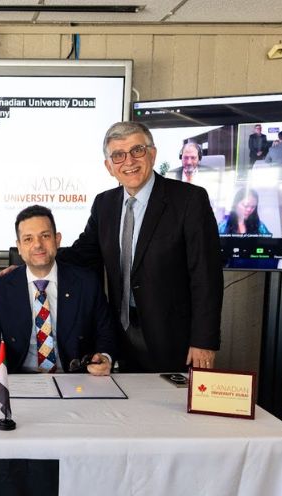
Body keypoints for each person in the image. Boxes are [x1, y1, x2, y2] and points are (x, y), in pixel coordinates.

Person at [60, 121, 223, 373]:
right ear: (109, 166)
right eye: (118, 155)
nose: (129, 161)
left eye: (137, 150)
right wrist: (26, 266)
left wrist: (204, 341)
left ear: (152, 154)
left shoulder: (189, 200)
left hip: (174, 340)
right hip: (120, 337)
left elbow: (207, 276)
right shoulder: (104, 204)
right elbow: (83, 254)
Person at [0, 205, 116, 376]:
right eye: (28, 239)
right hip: (20, 378)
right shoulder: (2, 287)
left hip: (76, 379)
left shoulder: (86, 282)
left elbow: (107, 332)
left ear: (57, 239)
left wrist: (105, 357)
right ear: (19, 247)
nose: (38, 245)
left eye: (45, 236)